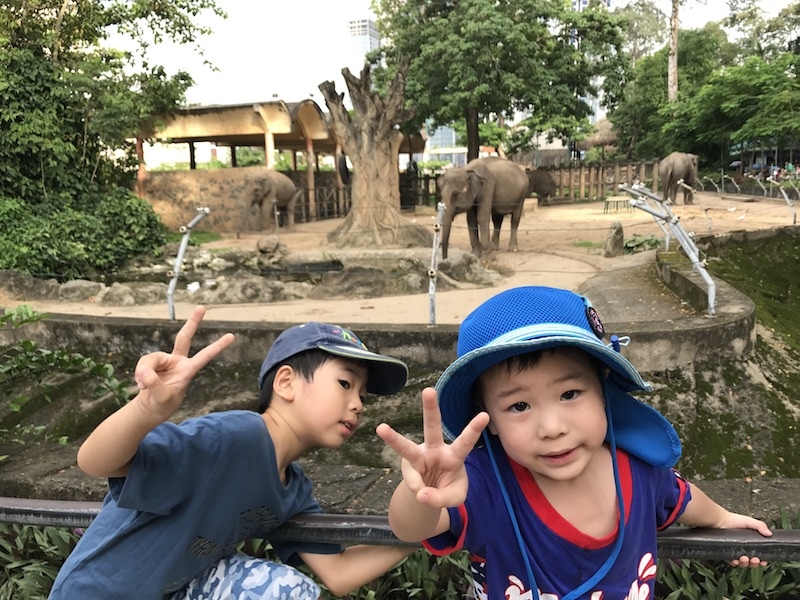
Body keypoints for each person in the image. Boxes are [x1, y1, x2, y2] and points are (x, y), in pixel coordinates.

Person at [377, 286, 773, 600]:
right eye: (518, 405)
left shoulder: (640, 470)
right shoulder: (483, 482)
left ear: (603, 390)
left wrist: (724, 522)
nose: (551, 427)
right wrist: (422, 492)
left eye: (569, 394)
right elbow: (411, 527)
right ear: (489, 419)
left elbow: (681, 499)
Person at [50, 307, 414, 599]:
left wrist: (426, 529)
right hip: (94, 592)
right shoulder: (233, 436)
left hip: (173, 591)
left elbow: (337, 573)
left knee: (285, 590)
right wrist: (147, 410)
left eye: (362, 395)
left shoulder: (293, 488)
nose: (358, 404)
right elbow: (95, 461)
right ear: (286, 382)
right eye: (345, 383)